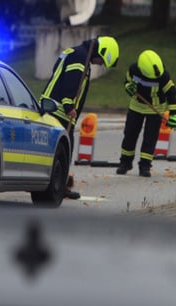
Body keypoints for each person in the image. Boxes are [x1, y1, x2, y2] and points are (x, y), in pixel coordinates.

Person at [41, 35, 119, 199]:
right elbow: (71, 82)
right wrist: (69, 106)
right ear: (101, 52)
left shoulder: (77, 53)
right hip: (59, 110)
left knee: (63, 150)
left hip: (53, 107)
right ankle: (56, 188)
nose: (100, 64)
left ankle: (59, 186)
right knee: (63, 151)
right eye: (102, 61)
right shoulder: (80, 57)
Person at [116, 50, 176, 177]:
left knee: (150, 138)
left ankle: (145, 166)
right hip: (136, 106)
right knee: (130, 135)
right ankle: (125, 163)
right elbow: (127, 81)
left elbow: (172, 96)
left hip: (155, 109)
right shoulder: (134, 69)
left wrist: (173, 115)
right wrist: (128, 87)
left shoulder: (163, 77)